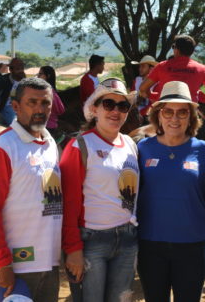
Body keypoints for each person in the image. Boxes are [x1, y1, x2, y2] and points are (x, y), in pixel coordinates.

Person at [0, 77, 62, 302]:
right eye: (31, 102)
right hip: (17, 267)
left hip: (49, 263)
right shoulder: (3, 147)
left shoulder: (50, 143)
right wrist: (0, 262)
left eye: (45, 103)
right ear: (15, 107)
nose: (39, 109)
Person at [136, 81, 205, 302]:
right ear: (158, 115)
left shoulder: (204, 151)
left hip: (192, 244)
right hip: (150, 244)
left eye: (182, 112)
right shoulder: (142, 149)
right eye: (168, 111)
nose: (175, 118)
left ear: (191, 117)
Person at [61, 78, 139, 302]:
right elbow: (69, 203)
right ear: (94, 109)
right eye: (108, 104)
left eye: (123, 106)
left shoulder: (130, 144)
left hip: (127, 239)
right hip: (91, 241)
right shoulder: (80, 146)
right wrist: (72, 248)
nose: (116, 111)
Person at [139, 35, 205, 103]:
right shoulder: (203, 69)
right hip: (189, 112)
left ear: (177, 50)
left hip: (165, 112)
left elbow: (143, 88)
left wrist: (157, 96)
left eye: (173, 47)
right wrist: (201, 98)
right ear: (192, 51)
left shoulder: (162, 66)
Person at [37, 66, 66, 139]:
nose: (38, 76)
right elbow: (61, 110)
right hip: (48, 125)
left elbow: (61, 109)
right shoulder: (50, 91)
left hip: (46, 127)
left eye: (40, 74)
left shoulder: (48, 92)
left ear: (48, 76)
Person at [0, 57, 26, 126]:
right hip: (7, 107)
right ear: (11, 70)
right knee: (15, 123)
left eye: (22, 68)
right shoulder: (3, 80)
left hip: (21, 107)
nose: (21, 71)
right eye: (18, 69)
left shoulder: (25, 81)